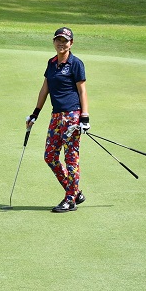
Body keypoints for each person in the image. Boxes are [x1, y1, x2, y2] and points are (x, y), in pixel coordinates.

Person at [26, 27, 89, 213]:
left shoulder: (76, 63)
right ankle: (75, 191)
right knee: (50, 156)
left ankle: (70, 199)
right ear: (54, 42)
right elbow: (45, 88)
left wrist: (84, 117)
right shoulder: (52, 63)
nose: (61, 43)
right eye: (58, 40)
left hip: (72, 116)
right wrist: (35, 113)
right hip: (56, 116)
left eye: (65, 41)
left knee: (71, 158)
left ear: (71, 43)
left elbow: (82, 90)